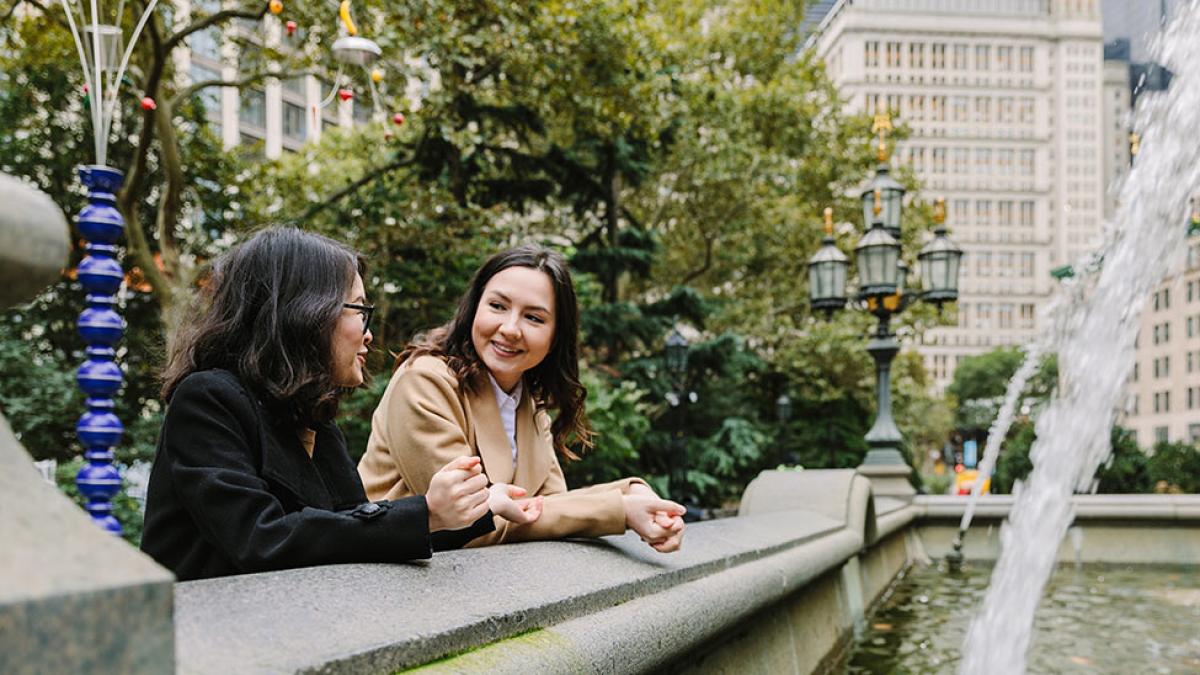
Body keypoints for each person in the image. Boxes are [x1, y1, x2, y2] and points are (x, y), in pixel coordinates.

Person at [140, 227, 536, 581]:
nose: (368, 335)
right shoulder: (208, 399)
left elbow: (351, 533)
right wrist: (427, 512)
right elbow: (260, 538)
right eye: (360, 310)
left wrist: (476, 508)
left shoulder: (312, 417)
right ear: (304, 313)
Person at [358, 245, 686, 552]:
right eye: (498, 306)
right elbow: (470, 520)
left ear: (556, 335)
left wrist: (633, 492)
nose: (511, 328)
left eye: (534, 318)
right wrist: (620, 508)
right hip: (392, 578)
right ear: (474, 308)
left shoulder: (527, 404)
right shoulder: (426, 380)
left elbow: (553, 505)